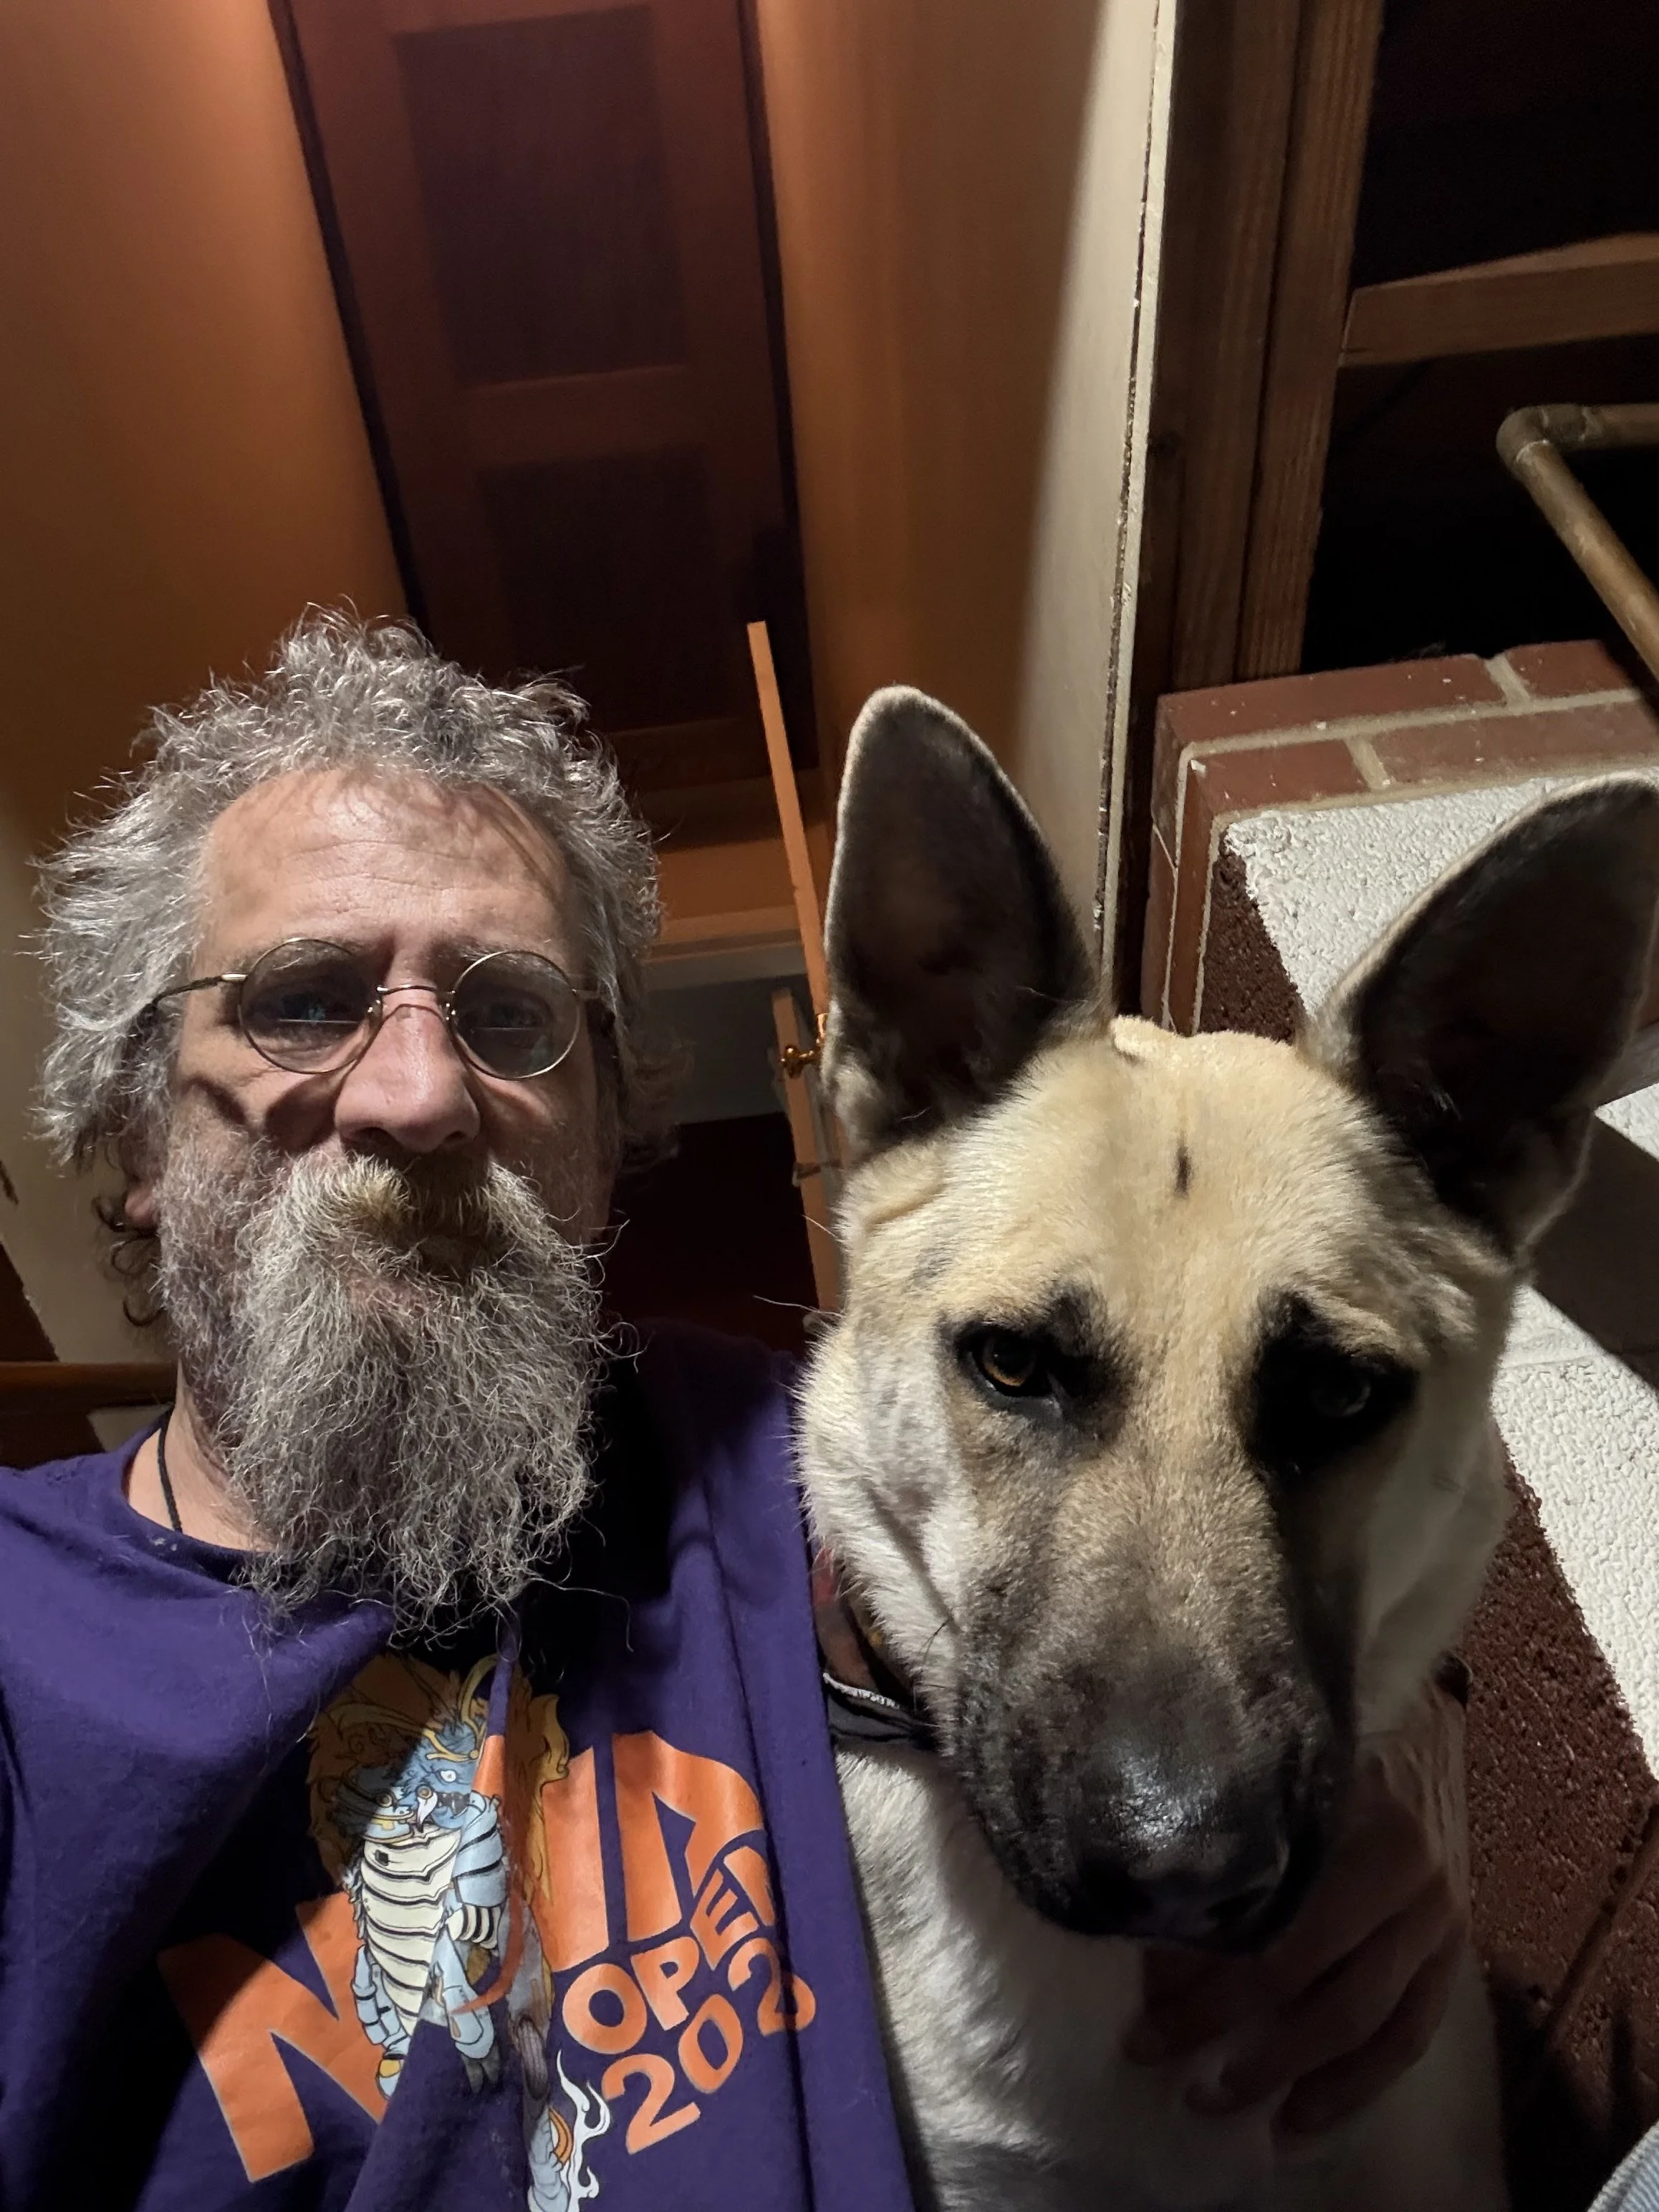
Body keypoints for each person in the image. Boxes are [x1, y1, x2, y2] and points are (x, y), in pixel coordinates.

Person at [0, 613, 1473, 2209]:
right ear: (136, 1131)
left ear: (603, 1127)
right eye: (302, 999)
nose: (418, 1094)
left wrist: (1350, 1808)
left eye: (507, 1016)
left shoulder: (751, 1454)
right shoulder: (21, 1648)